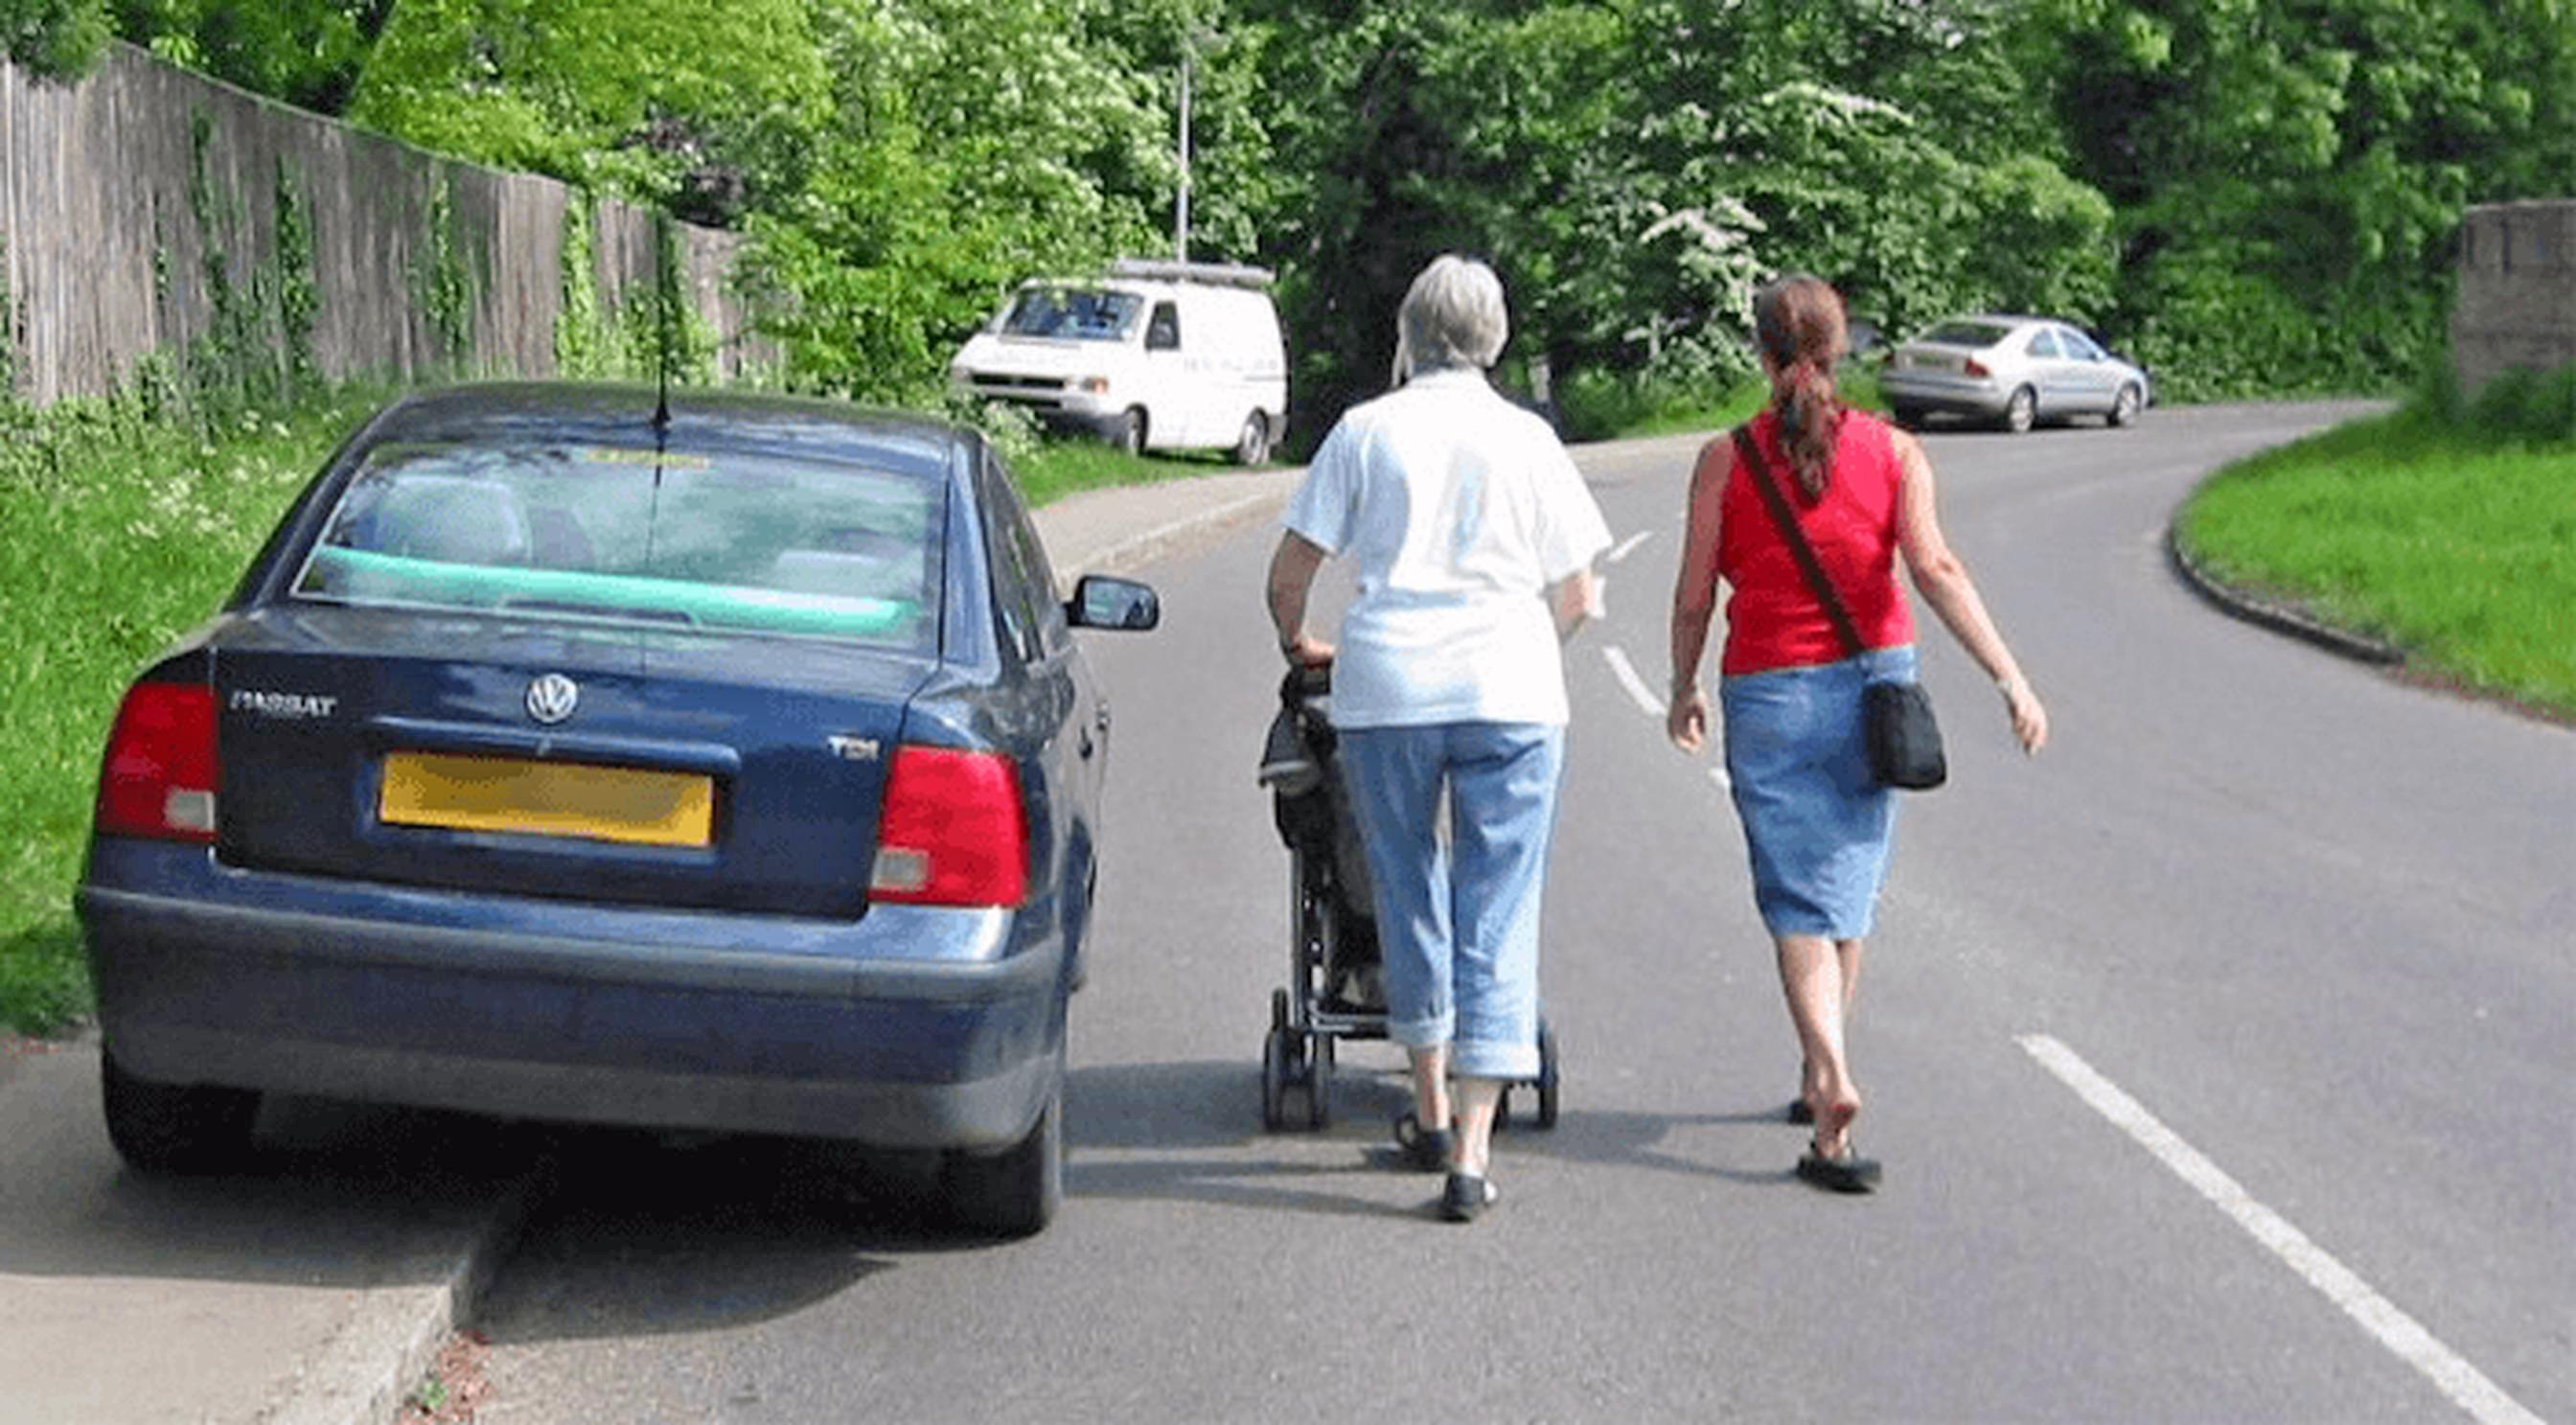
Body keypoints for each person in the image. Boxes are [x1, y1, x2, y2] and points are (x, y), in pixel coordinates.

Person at [1665, 274, 2048, 1193]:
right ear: (1844, 353)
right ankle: (1817, 1075)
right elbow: (1937, 567)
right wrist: (2009, 674)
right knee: (1848, 883)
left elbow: (1693, 595)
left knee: (1799, 898)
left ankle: (1828, 1074)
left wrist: (1681, 686)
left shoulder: (1724, 460)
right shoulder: (1894, 452)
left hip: (1767, 693)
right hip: (1875, 689)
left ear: (1760, 358)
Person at [1266, 254, 1611, 1223]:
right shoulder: (1530, 440)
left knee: (1407, 887)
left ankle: (1422, 1103)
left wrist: (1302, 640)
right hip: (1511, 689)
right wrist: (1516, 651)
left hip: (1392, 690)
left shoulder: (1365, 432)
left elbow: (1290, 572)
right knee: (1499, 905)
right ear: (1495, 338)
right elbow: (1581, 592)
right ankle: (1470, 1149)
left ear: (1410, 336)